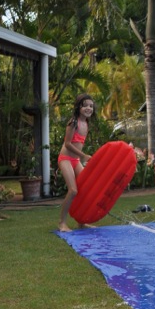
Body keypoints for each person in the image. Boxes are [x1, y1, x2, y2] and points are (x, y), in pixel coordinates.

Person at [57, 93, 95, 232]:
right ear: (79, 107)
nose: (88, 108)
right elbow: (67, 144)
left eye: (91, 106)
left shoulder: (86, 123)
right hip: (66, 159)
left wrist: (81, 157)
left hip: (76, 160)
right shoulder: (73, 122)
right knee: (73, 190)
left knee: (86, 189)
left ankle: (81, 222)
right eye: (85, 105)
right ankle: (62, 223)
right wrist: (83, 156)